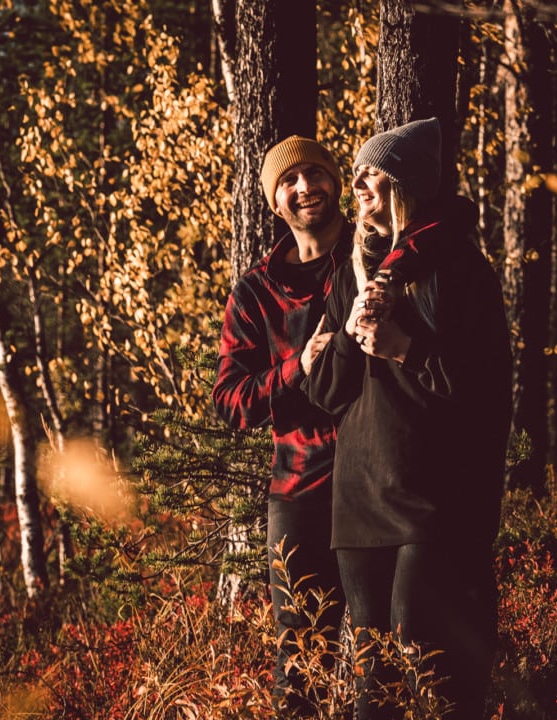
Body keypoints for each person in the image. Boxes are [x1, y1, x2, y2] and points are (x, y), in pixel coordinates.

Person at [304, 117, 512, 719]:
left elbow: (485, 389)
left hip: (433, 502)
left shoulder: (458, 269)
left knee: (433, 674)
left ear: (407, 183)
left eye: (373, 174)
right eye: (359, 174)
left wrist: (404, 347)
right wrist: (348, 334)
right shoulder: (355, 268)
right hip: (359, 503)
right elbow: (326, 391)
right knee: (376, 688)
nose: (359, 185)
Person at [211, 135, 351, 715]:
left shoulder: (377, 256)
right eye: (288, 181)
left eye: (314, 173)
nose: (304, 188)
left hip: (382, 481)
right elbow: (229, 400)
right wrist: (298, 367)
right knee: (300, 661)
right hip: (298, 489)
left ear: (335, 182)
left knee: (391, 651)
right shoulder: (255, 291)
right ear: (274, 203)